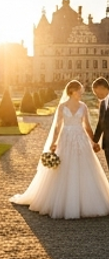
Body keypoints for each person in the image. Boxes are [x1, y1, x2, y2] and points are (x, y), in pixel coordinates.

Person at [11, 79, 109, 218]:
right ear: (72, 91)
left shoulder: (83, 106)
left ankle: (84, 201)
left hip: (80, 139)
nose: (82, 92)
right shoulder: (62, 107)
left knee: (85, 167)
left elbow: (87, 126)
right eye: (80, 90)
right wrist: (54, 142)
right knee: (65, 167)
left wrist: (93, 142)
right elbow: (57, 126)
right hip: (66, 139)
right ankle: (62, 201)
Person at [93, 77, 109, 164]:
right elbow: (100, 124)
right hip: (107, 144)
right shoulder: (102, 103)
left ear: (102, 87)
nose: (96, 95)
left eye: (96, 92)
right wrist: (94, 142)